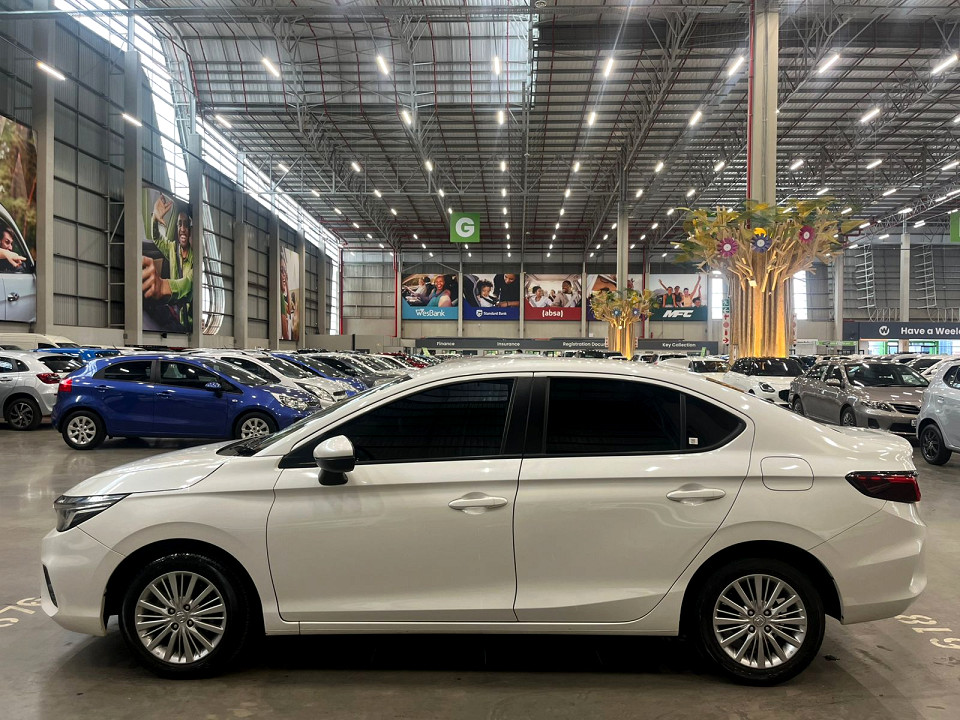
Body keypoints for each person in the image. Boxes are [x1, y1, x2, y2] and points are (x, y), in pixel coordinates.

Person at [141, 193, 193, 330]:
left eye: (186, 225)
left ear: (191, 229)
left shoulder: (195, 259)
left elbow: (187, 284)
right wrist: (155, 218)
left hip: (187, 323)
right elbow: (157, 238)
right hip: (173, 312)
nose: (182, 229)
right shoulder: (172, 248)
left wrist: (161, 286)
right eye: (180, 224)